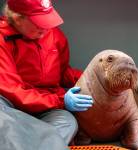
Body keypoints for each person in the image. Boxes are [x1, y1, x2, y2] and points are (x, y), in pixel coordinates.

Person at [0, 0, 93, 149]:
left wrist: (92, 78)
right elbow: (12, 90)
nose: (45, 28)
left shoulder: (54, 34)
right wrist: (61, 100)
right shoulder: (1, 38)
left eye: (47, 19)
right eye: (38, 23)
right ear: (18, 18)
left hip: (46, 106)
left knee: (67, 122)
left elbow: (62, 72)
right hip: (11, 106)